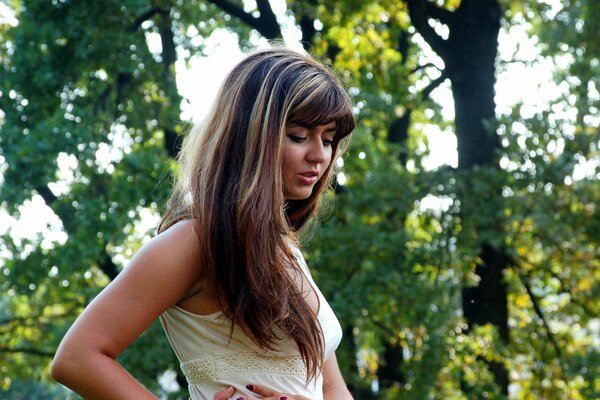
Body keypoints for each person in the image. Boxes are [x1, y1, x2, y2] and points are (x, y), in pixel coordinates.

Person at [52, 46, 356, 400]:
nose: (320, 155)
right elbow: (77, 358)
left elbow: (332, 387)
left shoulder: (285, 248)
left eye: (329, 140)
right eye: (299, 136)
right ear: (250, 136)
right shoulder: (195, 241)